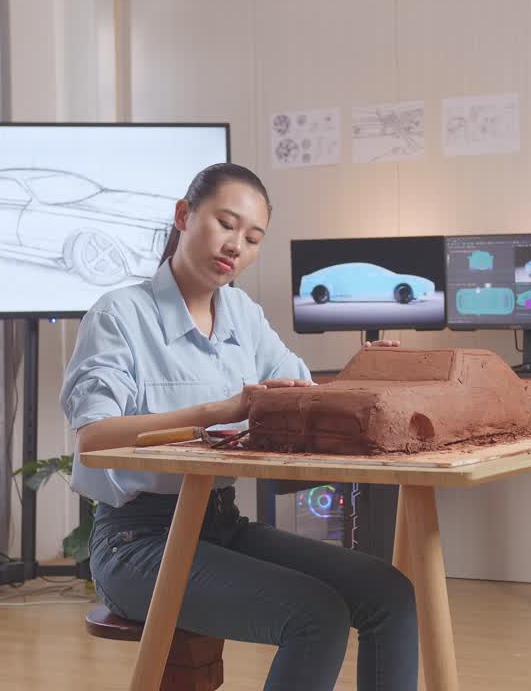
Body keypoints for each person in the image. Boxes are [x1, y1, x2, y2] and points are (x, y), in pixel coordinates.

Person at [59, 162, 418, 691]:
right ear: (184, 215)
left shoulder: (243, 314)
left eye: (252, 238)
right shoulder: (120, 314)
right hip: (137, 541)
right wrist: (219, 410)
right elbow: (94, 438)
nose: (236, 246)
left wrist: (366, 373)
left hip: (220, 526)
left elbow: (302, 397)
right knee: (315, 615)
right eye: (226, 224)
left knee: (389, 591)